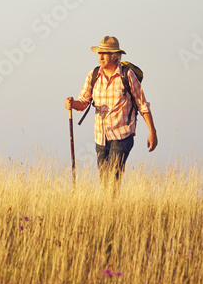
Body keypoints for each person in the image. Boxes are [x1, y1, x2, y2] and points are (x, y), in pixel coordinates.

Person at [64, 36, 157, 183]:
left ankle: (112, 203)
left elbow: (142, 104)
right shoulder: (93, 75)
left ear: (114, 56)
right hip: (100, 135)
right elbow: (83, 102)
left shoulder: (127, 75)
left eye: (105, 53)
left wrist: (152, 131)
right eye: (99, 53)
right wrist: (72, 103)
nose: (100, 56)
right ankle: (109, 205)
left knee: (113, 176)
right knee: (104, 177)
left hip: (122, 134)